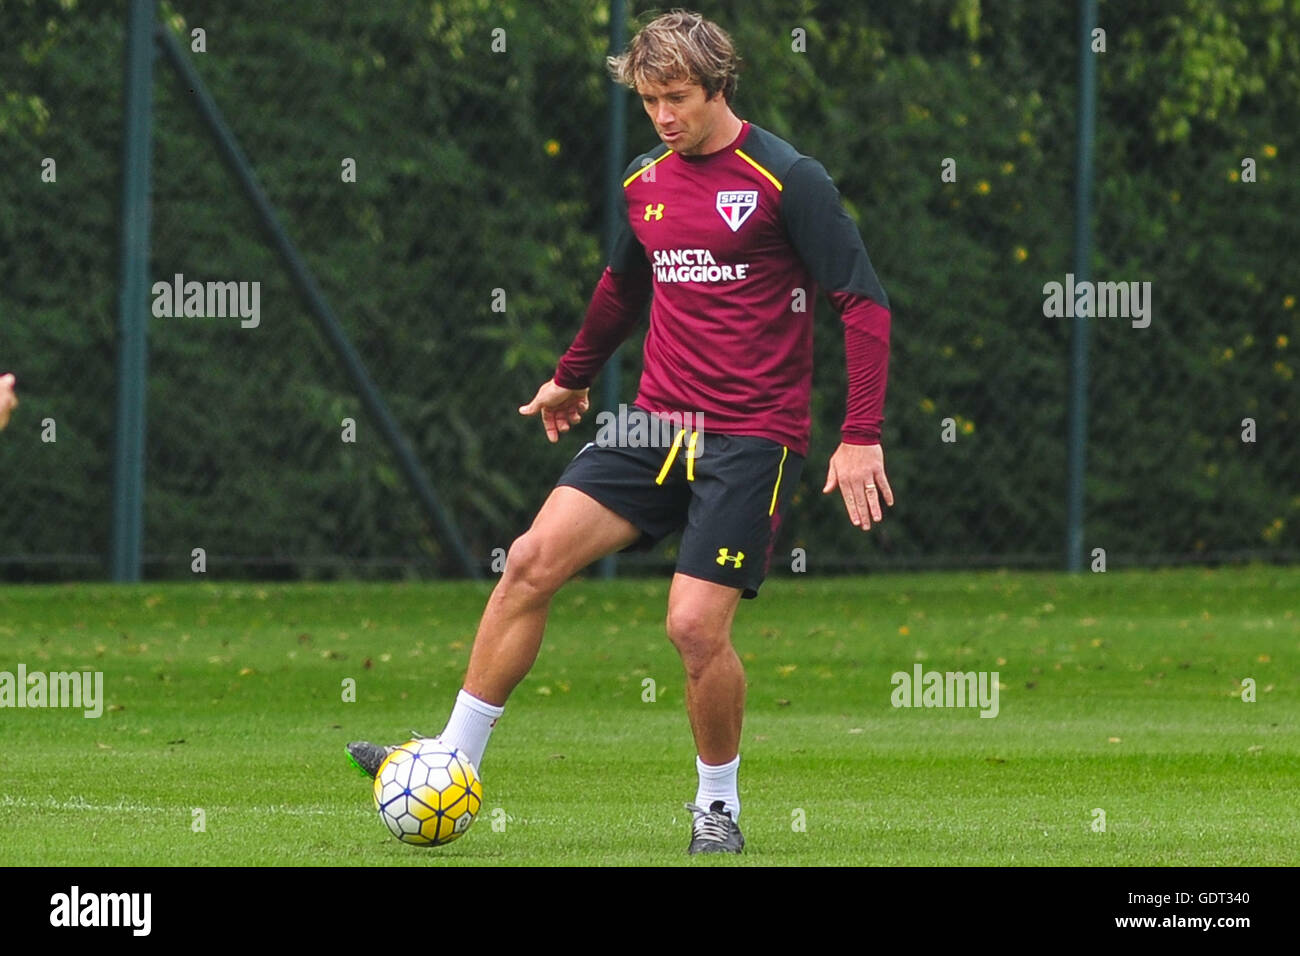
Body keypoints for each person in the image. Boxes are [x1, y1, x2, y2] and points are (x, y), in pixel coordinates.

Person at [348, 10, 894, 855]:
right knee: (529, 561)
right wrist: (570, 375)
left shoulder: (789, 178)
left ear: (719, 84)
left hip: (752, 437)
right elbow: (619, 288)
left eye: (676, 97)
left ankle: (718, 807)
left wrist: (860, 434)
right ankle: (451, 756)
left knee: (692, 629)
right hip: (654, 422)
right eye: (649, 101)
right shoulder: (645, 180)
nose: (664, 116)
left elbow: (862, 303)